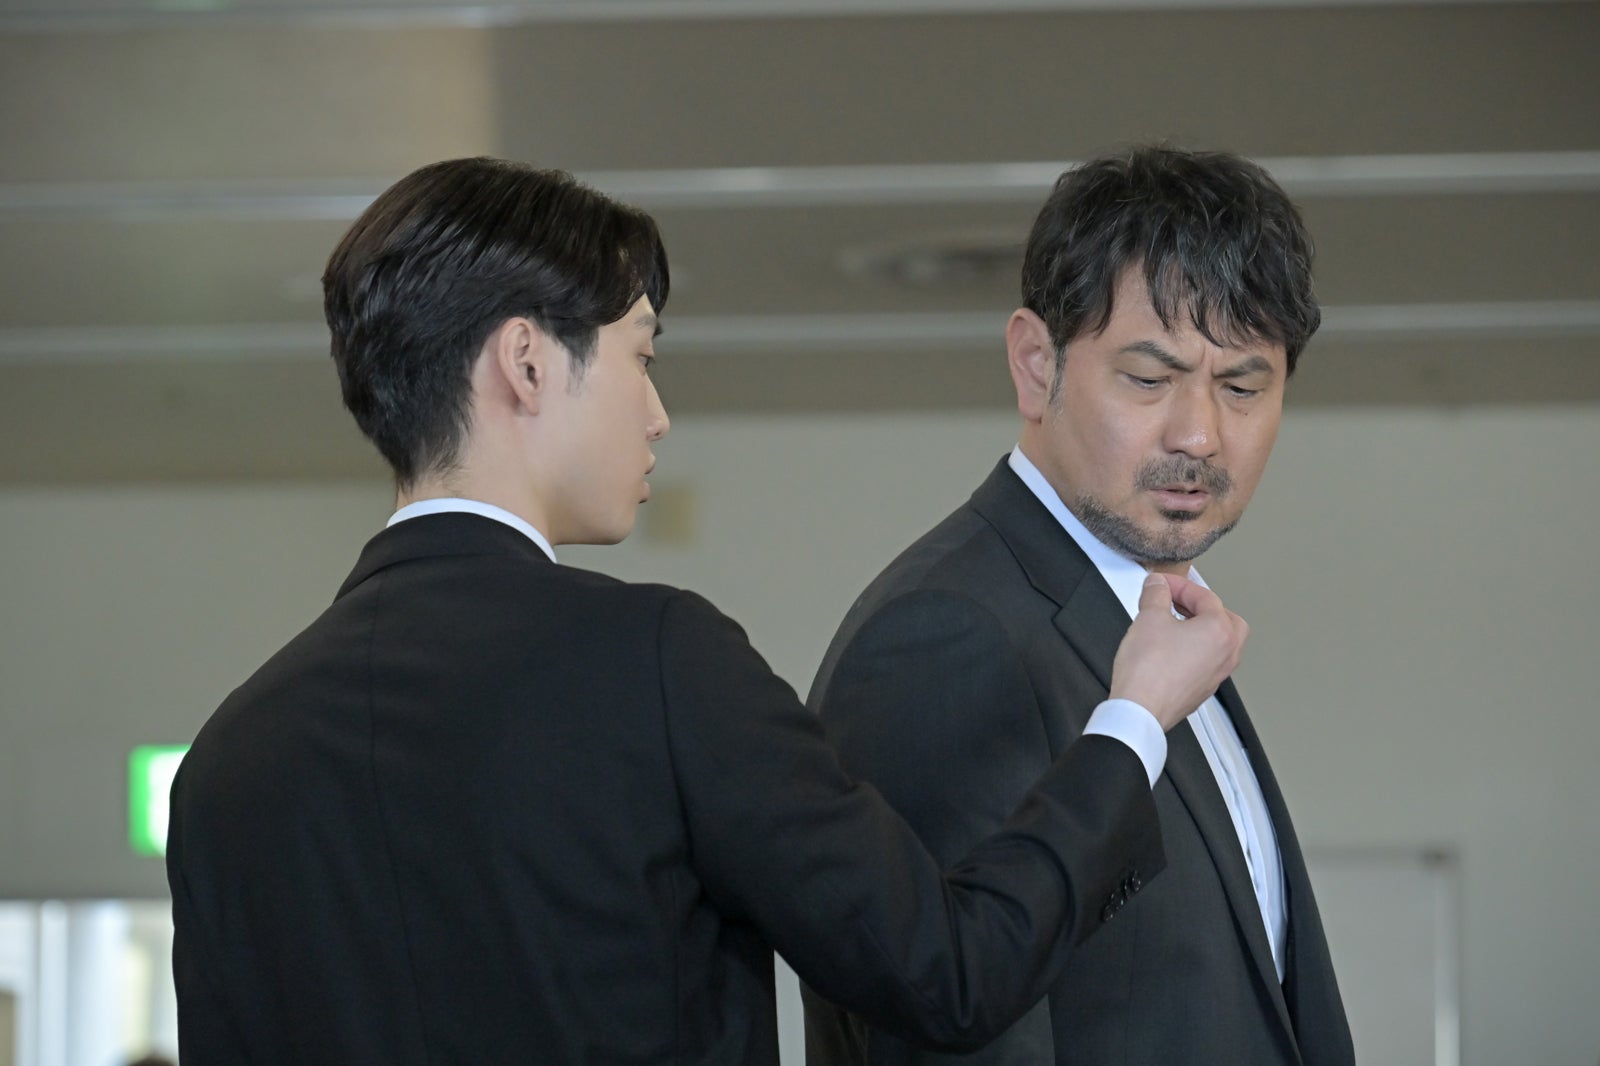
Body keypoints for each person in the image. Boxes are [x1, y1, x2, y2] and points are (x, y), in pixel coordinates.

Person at [165, 156, 1247, 1066]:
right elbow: (949, 972)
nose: (657, 414)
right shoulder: (654, 663)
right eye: (639, 355)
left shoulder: (228, 759)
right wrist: (1132, 721)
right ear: (526, 361)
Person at [802, 146, 1355, 1066]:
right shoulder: (947, 637)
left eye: (1242, 386)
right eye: (1149, 378)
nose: (1198, 434)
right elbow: (953, 1024)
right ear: (1035, 365)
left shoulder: (1162, 620)